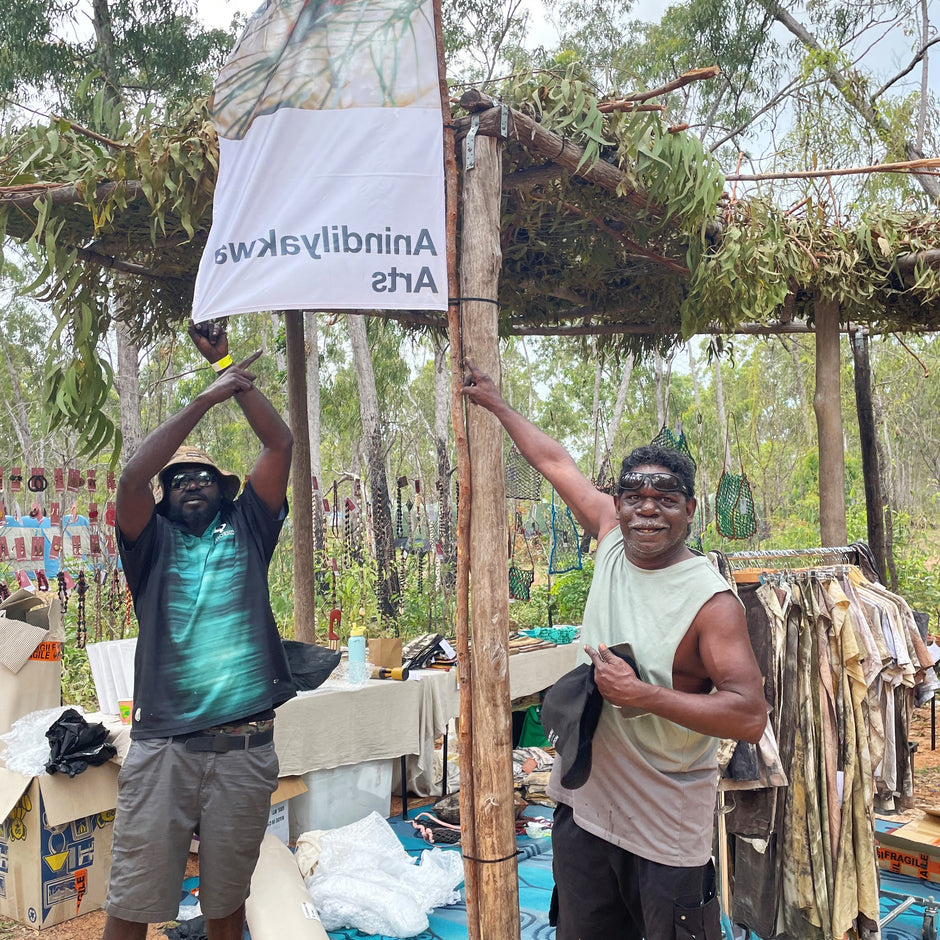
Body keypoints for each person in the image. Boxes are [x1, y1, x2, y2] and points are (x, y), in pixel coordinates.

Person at [461, 359, 766, 940]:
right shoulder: (608, 536)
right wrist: (499, 405)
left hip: (664, 825)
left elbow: (749, 716)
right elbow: (553, 462)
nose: (647, 509)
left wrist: (642, 695)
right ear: (618, 503)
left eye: (666, 499)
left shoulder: (710, 602)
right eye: (634, 496)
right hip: (587, 809)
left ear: (690, 511)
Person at [103, 320, 295, 940]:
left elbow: (281, 444)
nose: (191, 484)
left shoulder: (249, 530)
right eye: (180, 480)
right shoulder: (149, 543)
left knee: (226, 905)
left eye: (204, 478)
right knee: (132, 902)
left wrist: (227, 371)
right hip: (164, 750)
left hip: (244, 751)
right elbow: (132, 479)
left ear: (224, 491)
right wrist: (204, 401)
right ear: (165, 498)